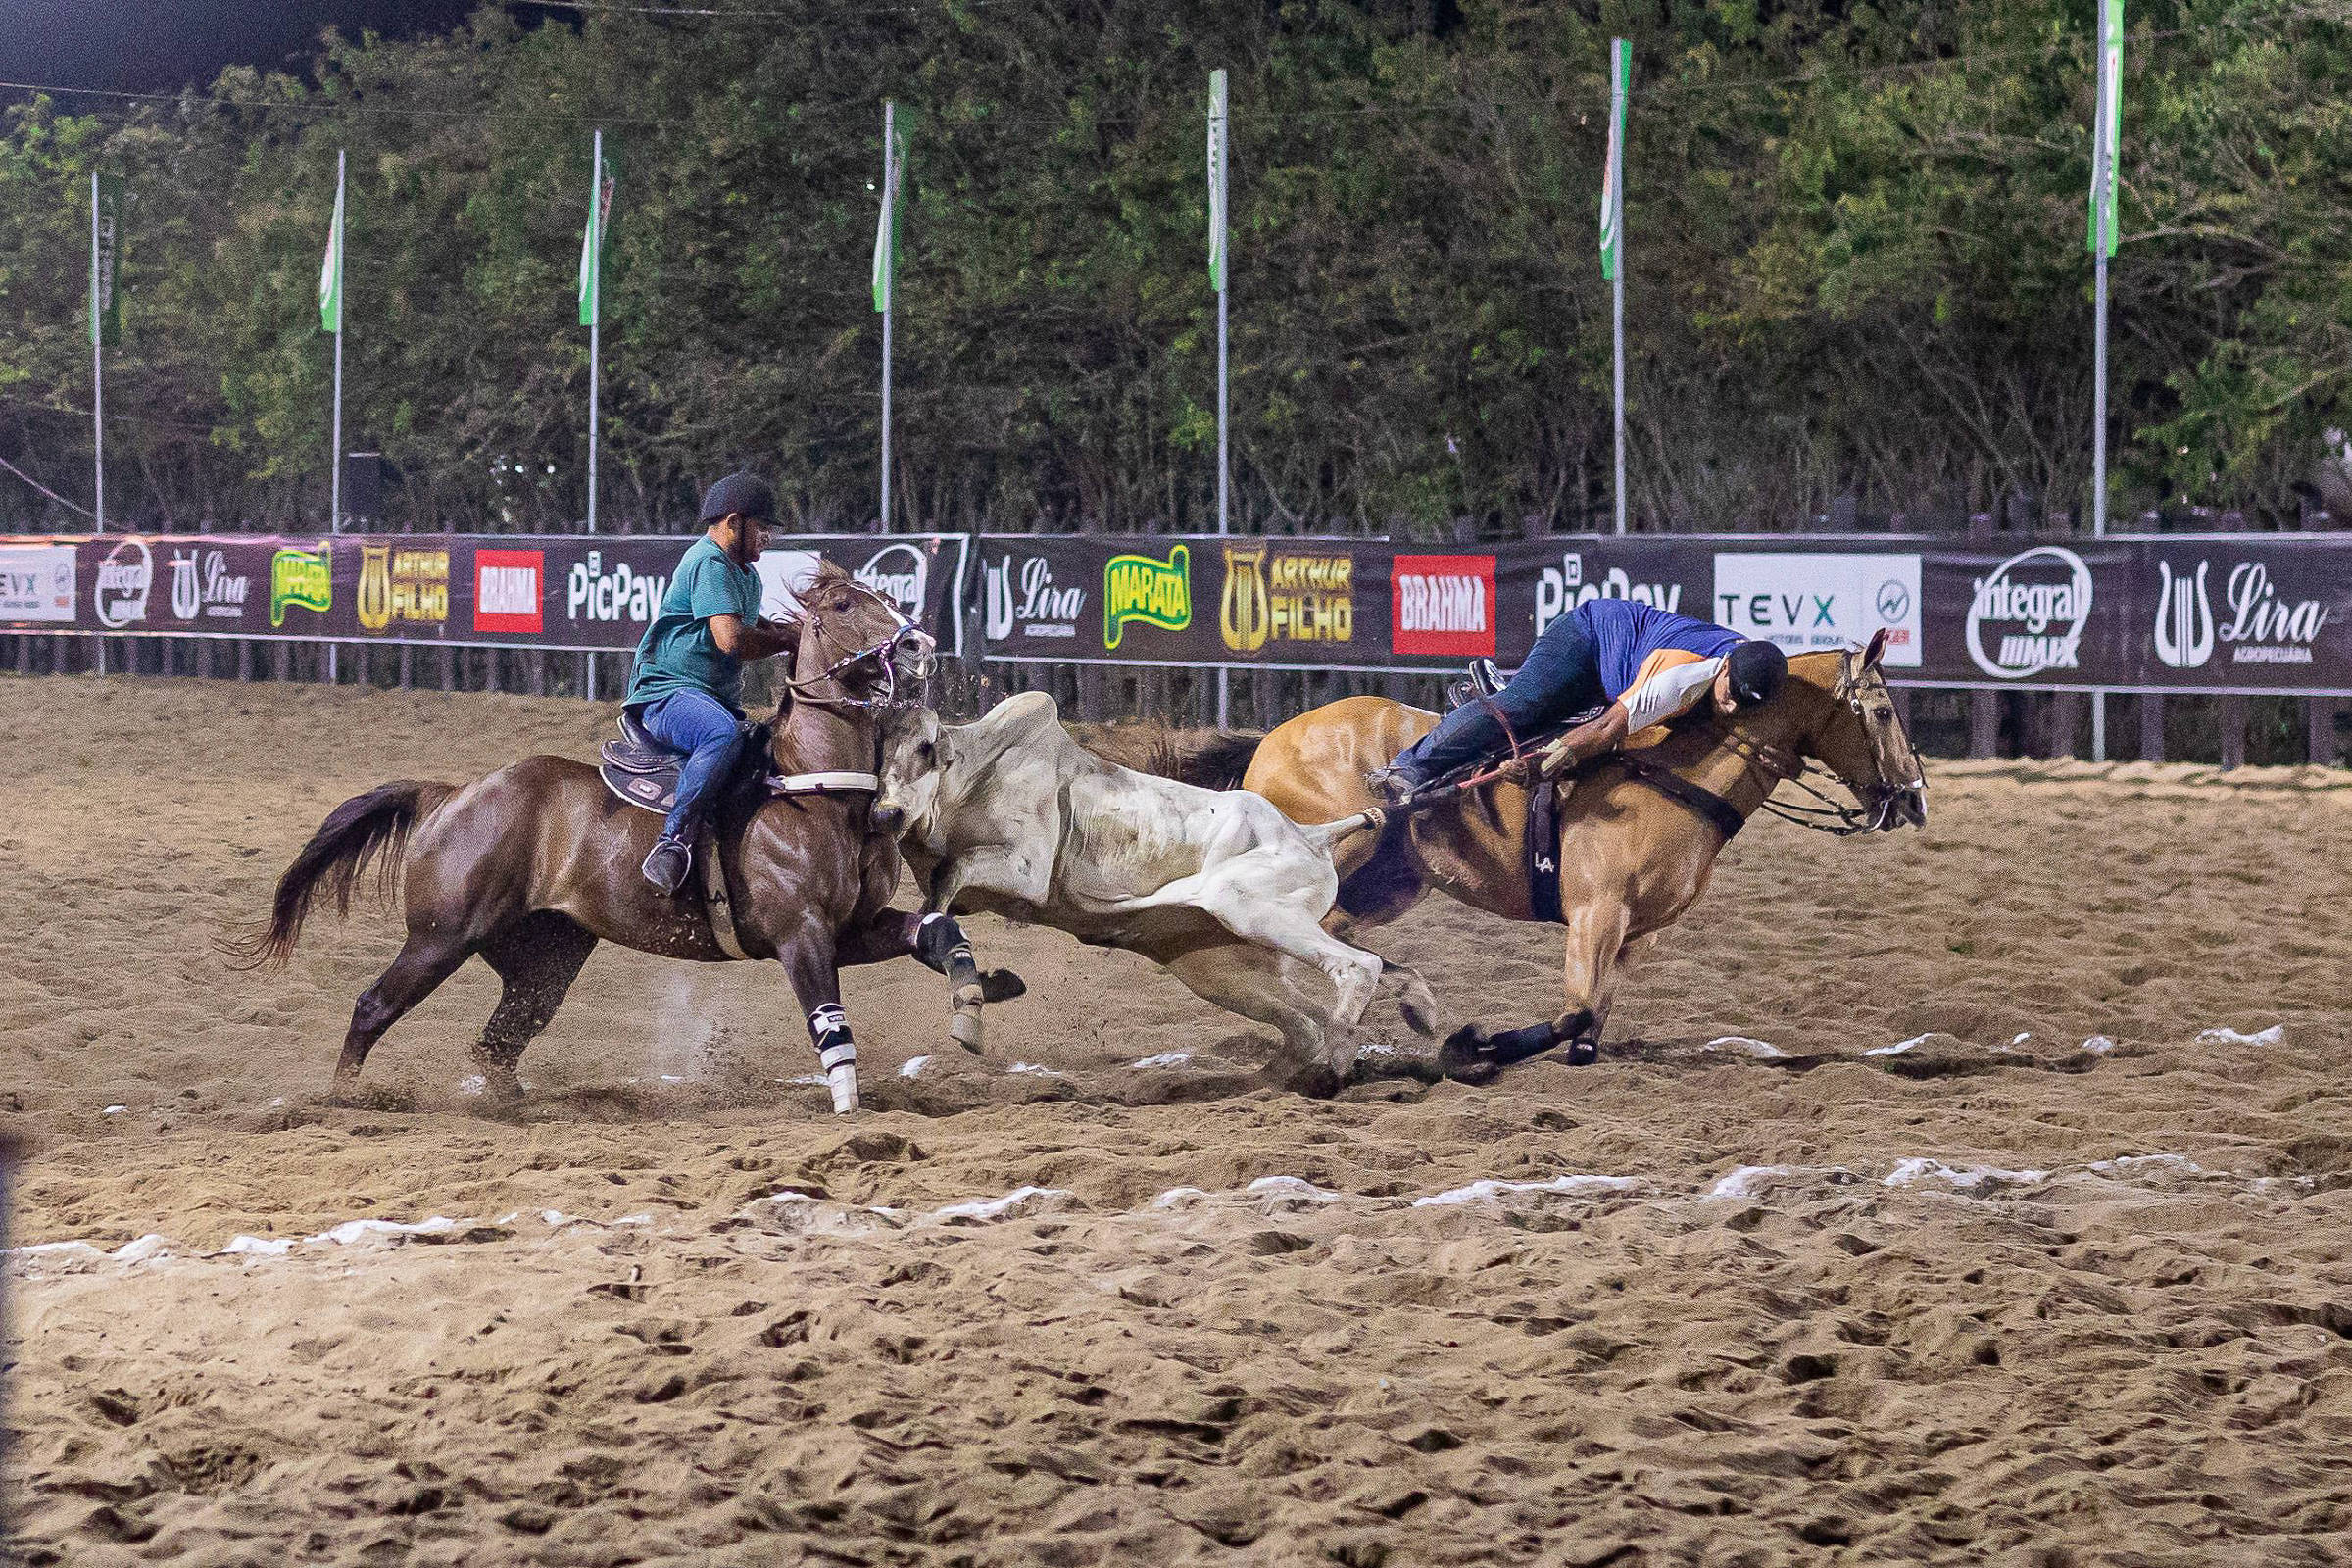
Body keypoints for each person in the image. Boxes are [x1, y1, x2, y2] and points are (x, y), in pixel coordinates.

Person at [1379, 596, 1789, 801]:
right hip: (1587, 636)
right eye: (1731, 695)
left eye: (1744, 704)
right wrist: (1544, 763)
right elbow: (1609, 727)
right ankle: (1412, 765)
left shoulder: (1756, 675)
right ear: (1724, 668)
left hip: (1621, 667)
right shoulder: (1682, 678)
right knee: (1521, 707)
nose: (1733, 707)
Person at [624, 472, 795, 894]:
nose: (768, 537)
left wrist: (796, 634)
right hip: (666, 695)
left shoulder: (746, 576)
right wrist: (785, 641)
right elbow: (731, 638)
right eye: (763, 527)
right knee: (720, 734)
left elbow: (753, 624)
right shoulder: (709, 561)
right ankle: (673, 842)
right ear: (734, 523)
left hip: (711, 698)